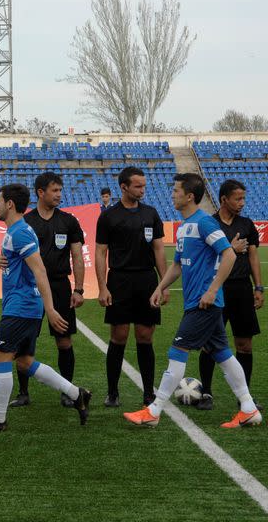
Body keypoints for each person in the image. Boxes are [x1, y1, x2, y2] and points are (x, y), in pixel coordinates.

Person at [124, 173, 261, 428]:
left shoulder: (204, 224)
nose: (172, 194)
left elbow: (229, 255)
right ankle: (249, 408)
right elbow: (177, 264)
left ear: (189, 196)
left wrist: (212, 290)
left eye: (176, 190)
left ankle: (153, 410)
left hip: (204, 303)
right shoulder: (185, 226)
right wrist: (160, 286)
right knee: (224, 355)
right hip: (197, 302)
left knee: (177, 352)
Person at [0, 183, 91, 432]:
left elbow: (39, 270)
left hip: (22, 306)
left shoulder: (21, 232)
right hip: (24, 305)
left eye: (0, 200)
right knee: (25, 362)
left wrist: (51, 308)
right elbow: (23, 262)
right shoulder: (17, 231)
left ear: (10, 204)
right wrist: (6, 259)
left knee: (1, 358)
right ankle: (76, 393)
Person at [7, 172, 85, 408]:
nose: (59, 195)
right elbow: (11, 255)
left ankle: (68, 391)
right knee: (24, 342)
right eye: (54, 191)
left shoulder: (69, 221)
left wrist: (79, 289)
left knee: (64, 340)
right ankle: (23, 393)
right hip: (30, 287)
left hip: (60, 286)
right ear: (41, 192)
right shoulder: (26, 222)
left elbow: (77, 256)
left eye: (60, 191)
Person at [95, 166, 168, 407]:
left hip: (147, 280)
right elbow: (100, 252)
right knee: (119, 335)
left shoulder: (151, 213)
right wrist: (103, 286)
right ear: (123, 187)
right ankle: (112, 392)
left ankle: (148, 393)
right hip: (120, 280)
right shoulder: (109, 216)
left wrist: (163, 284)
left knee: (145, 336)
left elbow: (158, 249)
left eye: (143, 185)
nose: (142, 190)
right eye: (137, 186)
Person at [197, 179, 263, 410]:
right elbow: (203, 258)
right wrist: (230, 250)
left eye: (243, 198)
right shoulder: (209, 224)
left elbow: (253, 257)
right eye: (238, 198)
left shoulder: (246, 224)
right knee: (210, 343)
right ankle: (206, 392)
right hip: (216, 288)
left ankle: (243, 396)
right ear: (223, 199)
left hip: (242, 290)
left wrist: (258, 287)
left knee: (244, 344)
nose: (242, 203)